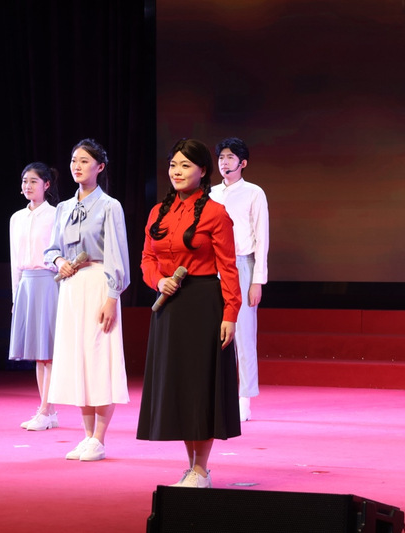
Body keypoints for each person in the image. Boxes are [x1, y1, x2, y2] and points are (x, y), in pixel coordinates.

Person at [137, 138, 242, 488]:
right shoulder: (158, 211)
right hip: (169, 306)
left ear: (202, 171)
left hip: (203, 304)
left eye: (185, 165)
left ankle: (201, 469)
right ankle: (191, 467)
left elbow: (229, 268)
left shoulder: (215, 213)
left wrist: (230, 314)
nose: (177, 172)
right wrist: (158, 280)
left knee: (200, 386)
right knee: (181, 386)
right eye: (173, 165)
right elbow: (147, 259)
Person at [44, 138, 131, 462]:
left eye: (84, 161)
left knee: (99, 359)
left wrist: (112, 297)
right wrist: (59, 262)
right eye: (73, 161)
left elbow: (117, 256)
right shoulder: (64, 208)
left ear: (99, 167)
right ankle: (86, 436)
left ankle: (100, 438)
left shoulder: (109, 206)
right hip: (71, 287)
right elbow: (52, 249)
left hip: (98, 284)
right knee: (79, 359)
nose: (77, 166)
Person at [210, 137, 269, 422]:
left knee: (244, 334)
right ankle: (216, 393)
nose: (224, 162)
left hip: (242, 264)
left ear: (242, 163)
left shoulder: (254, 193)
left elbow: (262, 238)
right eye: (221, 157)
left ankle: (244, 397)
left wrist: (258, 280)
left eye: (230, 157)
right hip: (212, 266)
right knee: (213, 331)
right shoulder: (210, 193)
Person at [9, 162, 60, 431]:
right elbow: (14, 259)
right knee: (38, 354)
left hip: (49, 282)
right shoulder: (17, 218)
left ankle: (46, 410)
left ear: (46, 185)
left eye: (33, 181)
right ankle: (47, 410)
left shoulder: (56, 215)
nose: (27, 186)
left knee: (48, 353)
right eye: (24, 181)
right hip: (27, 285)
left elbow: (61, 253)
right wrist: (16, 295)